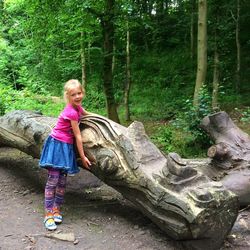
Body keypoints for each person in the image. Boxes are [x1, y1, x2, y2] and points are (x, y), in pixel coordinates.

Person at [39, 79, 92, 230]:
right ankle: (48, 213)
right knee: (53, 180)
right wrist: (82, 157)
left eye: (79, 93)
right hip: (57, 146)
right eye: (73, 94)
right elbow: (78, 136)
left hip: (66, 147)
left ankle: (56, 208)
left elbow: (87, 114)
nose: (77, 96)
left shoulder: (77, 107)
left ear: (83, 92)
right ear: (68, 96)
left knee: (62, 181)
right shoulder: (71, 112)